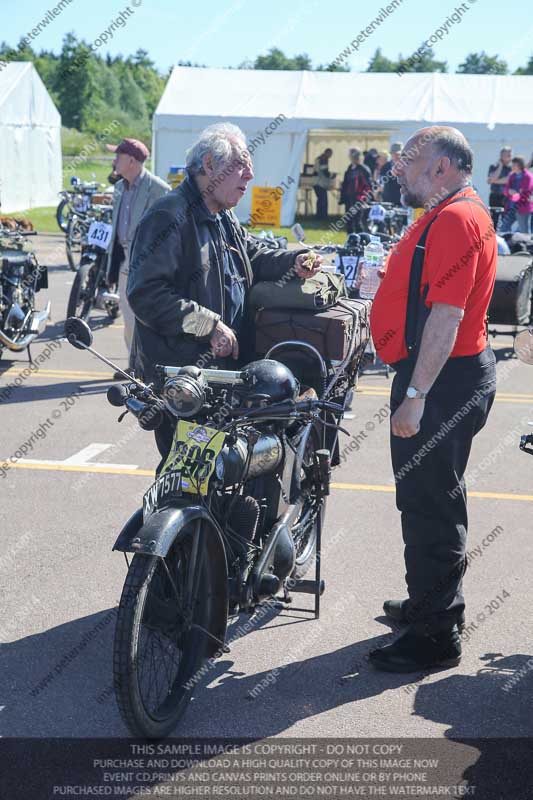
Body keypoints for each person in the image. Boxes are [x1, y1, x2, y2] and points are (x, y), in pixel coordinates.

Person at [369, 126, 497, 673]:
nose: (400, 168)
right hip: (444, 376)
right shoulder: (450, 212)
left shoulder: (455, 218)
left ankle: (434, 636)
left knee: (430, 508)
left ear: (442, 167)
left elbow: (446, 316)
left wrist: (416, 395)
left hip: (441, 382)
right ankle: (431, 606)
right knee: (432, 500)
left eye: (411, 159)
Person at [126, 122, 322, 461]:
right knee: (187, 475)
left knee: (223, 475)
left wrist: (295, 260)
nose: (249, 176)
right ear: (209, 166)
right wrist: (210, 325)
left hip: (221, 375)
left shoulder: (222, 215)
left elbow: (252, 255)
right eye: (241, 166)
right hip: (185, 379)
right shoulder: (169, 216)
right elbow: (146, 294)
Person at [105, 138, 170, 376]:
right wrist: (112, 269)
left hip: (148, 265)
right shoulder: (120, 187)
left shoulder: (159, 189)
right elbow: (115, 231)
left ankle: (150, 366)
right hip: (125, 261)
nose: (114, 161)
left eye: (118, 156)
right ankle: (135, 366)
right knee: (129, 316)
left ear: (132, 161)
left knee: (147, 318)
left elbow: (169, 231)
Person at [339, 148, 372, 233]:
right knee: (349, 220)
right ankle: (350, 241)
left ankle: (360, 241)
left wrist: (363, 199)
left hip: (359, 199)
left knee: (358, 221)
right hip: (349, 198)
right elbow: (346, 183)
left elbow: (368, 186)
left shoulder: (363, 169)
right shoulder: (350, 168)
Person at [501, 156, 533, 234]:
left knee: (524, 231)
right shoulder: (512, 175)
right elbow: (505, 190)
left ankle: (527, 246)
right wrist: (509, 191)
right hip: (511, 208)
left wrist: (515, 194)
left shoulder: (528, 176)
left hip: (523, 208)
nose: (512, 166)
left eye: (514, 165)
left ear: (519, 165)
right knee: (503, 228)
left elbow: (525, 192)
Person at [487, 146, 512, 229]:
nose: (508, 157)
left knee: (506, 220)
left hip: (506, 197)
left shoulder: (511, 168)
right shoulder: (493, 166)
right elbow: (491, 178)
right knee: (494, 219)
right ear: (501, 156)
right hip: (494, 196)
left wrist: (494, 181)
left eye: (509, 155)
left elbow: (508, 179)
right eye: (506, 155)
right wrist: (500, 166)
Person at [313, 148, 334, 220]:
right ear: (327, 153)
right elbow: (325, 171)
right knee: (323, 201)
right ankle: (323, 217)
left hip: (316, 182)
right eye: (330, 154)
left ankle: (318, 216)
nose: (331, 156)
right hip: (320, 183)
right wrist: (332, 175)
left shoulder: (318, 158)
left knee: (320, 201)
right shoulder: (323, 159)